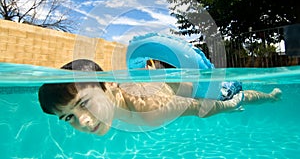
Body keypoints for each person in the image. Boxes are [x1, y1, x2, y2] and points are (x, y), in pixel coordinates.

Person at [38, 59, 282, 136]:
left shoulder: (151, 110)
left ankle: (270, 96)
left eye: (84, 103)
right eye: (68, 116)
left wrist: (229, 105)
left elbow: (201, 107)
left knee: (239, 96)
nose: (84, 122)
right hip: (172, 84)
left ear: (110, 84)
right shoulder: (118, 98)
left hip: (207, 91)